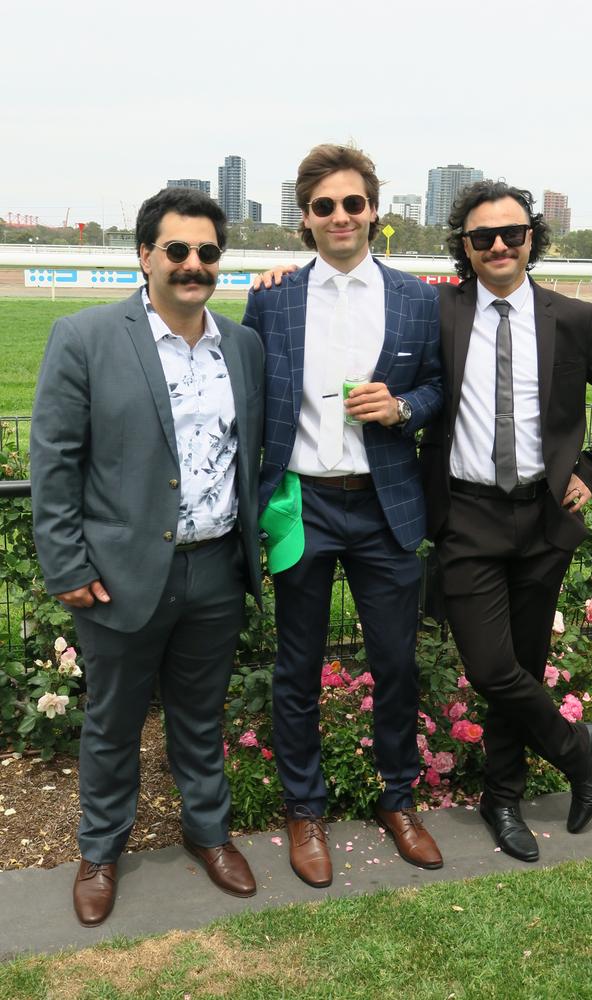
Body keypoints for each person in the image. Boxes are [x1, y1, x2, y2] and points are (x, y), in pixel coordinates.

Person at [30, 187, 265, 925]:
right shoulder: (86, 336)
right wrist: (67, 565)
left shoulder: (243, 346)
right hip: (121, 574)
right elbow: (55, 460)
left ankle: (209, 833)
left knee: (200, 717)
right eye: (177, 250)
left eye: (207, 252)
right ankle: (99, 852)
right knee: (113, 722)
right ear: (145, 255)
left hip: (217, 569)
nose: (193, 264)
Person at [420, 180, 592, 861]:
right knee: (491, 669)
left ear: (531, 240)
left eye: (511, 234)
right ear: (464, 246)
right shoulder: (438, 310)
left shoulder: (571, 318)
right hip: (466, 515)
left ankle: (503, 797)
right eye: (482, 236)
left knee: (525, 662)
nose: (497, 245)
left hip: (543, 519)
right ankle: (578, 752)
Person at [243, 144, 444, 887]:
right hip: (305, 505)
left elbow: (436, 388)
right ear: (306, 217)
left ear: (373, 212)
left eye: (352, 203)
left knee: (395, 664)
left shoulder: (418, 299)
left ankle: (398, 800)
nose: (340, 216)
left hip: (386, 505)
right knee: (296, 668)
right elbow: (250, 392)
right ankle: (305, 811)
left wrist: (402, 408)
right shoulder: (272, 298)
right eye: (324, 205)